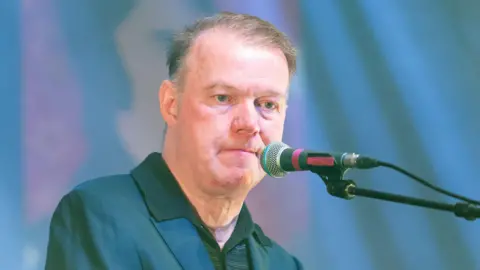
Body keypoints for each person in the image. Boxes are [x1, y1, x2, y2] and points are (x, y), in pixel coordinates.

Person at [45, 11, 302, 270]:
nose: (249, 123)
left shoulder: (284, 264)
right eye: (223, 97)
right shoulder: (100, 216)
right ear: (171, 104)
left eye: (267, 104)